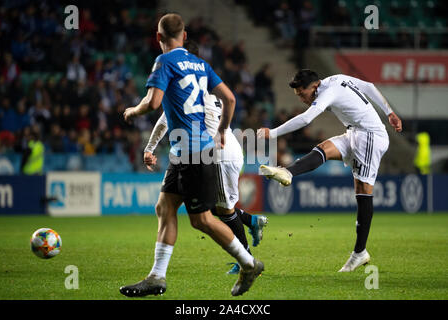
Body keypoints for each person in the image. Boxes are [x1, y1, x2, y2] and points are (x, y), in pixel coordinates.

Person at [119, 13, 263, 297]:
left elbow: (153, 102)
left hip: (194, 153)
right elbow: (230, 98)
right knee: (165, 207)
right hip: (185, 150)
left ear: (158, 37)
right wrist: (223, 130)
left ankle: (249, 264)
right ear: (184, 36)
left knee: (203, 220)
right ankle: (157, 277)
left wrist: (133, 111)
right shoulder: (201, 64)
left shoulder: (164, 61)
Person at [258, 69, 402, 272]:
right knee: (324, 148)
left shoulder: (328, 91)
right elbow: (368, 86)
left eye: (302, 94)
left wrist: (272, 133)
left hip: (371, 136)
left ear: (314, 86)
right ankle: (288, 172)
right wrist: (389, 112)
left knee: (363, 189)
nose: (301, 98)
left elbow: (307, 119)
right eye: (298, 95)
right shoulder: (337, 79)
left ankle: (359, 252)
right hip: (355, 131)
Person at [144, 40, 268, 275]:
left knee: (220, 211)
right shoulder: (206, 90)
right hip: (224, 150)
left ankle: (247, 260)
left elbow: (163, 119)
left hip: (217, 153)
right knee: (213, 208)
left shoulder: (184, 90)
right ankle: (251, 225)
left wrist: (150, 146)